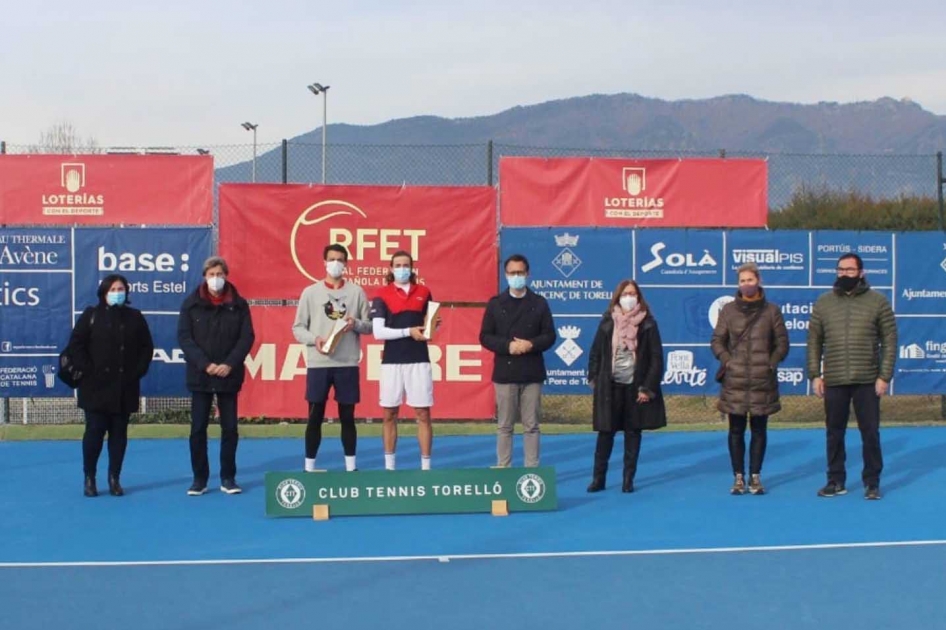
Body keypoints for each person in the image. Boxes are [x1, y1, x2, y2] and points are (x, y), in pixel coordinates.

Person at [807, 253, 896, 500]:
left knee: (870, 432)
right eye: (840, 270)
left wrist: (884, 375)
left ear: (861, 272)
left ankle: (872, 482)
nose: (844, 274)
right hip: (834, 379)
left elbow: (889, 340)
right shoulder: (824, 303)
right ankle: (835, 480)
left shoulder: (878, 301)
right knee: (834, 432)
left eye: (850, 270)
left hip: (868, 379)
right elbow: (814, 341)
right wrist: (815, 374)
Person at [67, 274, 154, 497]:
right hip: (95, 389)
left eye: (121, 288)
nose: (117, 292)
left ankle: (114, 478)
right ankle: (89, 478)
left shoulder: (135, 317)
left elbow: (147, 348)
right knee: (94, 433)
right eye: (113, 288)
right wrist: (89, 371)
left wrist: (136, 372)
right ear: (104, 293)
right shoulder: (91, 315)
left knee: (119, 435)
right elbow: (76, 345)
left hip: (124, 388)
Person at [177, 256, 255, 496]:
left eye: (220, 274)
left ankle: (228, 477)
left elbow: (247, 337)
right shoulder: (191, 304)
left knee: (229, 429)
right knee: (198, 429)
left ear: (226, 275)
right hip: (200, 376)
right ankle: (199, 479)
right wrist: (205, 364)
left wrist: (229, 364)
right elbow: (184, 338)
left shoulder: (239, 305)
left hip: (228, 376)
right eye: (211, 275)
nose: (216, 279)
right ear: (204, 277)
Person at [711, 263, 789, 496]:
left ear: (758, 280)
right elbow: (717, 341)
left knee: (759, 430)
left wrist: (771, 362)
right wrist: (727, 360)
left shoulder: (772, 311)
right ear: (738, 284)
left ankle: (755, 476)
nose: (747, 284)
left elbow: (782, 343)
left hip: (761, 381)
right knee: (735, 431)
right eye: (742, 281)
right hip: (734, 381)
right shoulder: (728, 311)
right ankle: (738, 477)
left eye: (750, 280)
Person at [292, 244, 372, 472]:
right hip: (319, 363)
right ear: (324, 262)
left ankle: (350, 467)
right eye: (331, 259)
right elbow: (298, 328)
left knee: (347, 416)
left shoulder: (356, 292)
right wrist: (314, 339)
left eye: (340, 259)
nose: (335, 263)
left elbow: (369, 326)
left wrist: (354, 323)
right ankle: (309, 466)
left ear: (346, 265)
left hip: (347, 363)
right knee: (314, 414)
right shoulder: (311, 292)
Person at [586, 280, 666, 493]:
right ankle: (598, 479)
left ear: (639, 298)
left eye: (633, 294)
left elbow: (656, 359)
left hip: (635, 388)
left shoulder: (648, 324)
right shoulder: (607, 322)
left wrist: (647, 388)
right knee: (605, 434)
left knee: (633, 433)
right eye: (625, 294)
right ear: (617, 297)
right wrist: (594, 379)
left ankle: (628, 480)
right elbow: (595, 353)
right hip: (609, 387)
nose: (629, 298)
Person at [479, 254, 556, 467]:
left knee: (531, 425)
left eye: (520, 272)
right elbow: (485, 336)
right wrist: (508, 346)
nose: (516, 276)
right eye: (512, 273)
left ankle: (532, 468)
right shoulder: (495, 304)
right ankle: (504, 467)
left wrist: (530, 344)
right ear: (506, 275)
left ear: (527, 274)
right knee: (505, 426)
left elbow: (550, 335)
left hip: (532, 373)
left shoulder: (539, 303)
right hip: (505, 373)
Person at [370, 250, 438, 471]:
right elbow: (378, 332)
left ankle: (426, 468)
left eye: (406, 265)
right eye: (397, 265)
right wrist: (409, 331)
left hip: (419, 360)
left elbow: (429, 323)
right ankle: (390, 468)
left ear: (412, 268)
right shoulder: (381, 294)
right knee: (389, 413)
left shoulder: (424, 292)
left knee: (423, 414)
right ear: (391, 269)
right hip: (392, 362)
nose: (402, 269)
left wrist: (433, 325)